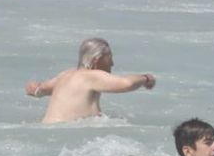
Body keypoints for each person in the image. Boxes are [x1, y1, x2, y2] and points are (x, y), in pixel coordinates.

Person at [25, 37, 155, 123]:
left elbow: (38, 89)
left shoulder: (64, 75)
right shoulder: (92, 76)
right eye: (110, 58)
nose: (112, 64)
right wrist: (146, 78)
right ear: (96, 60)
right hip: (69, 135)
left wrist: (34, 89)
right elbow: (127, 84)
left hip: (49, 129)